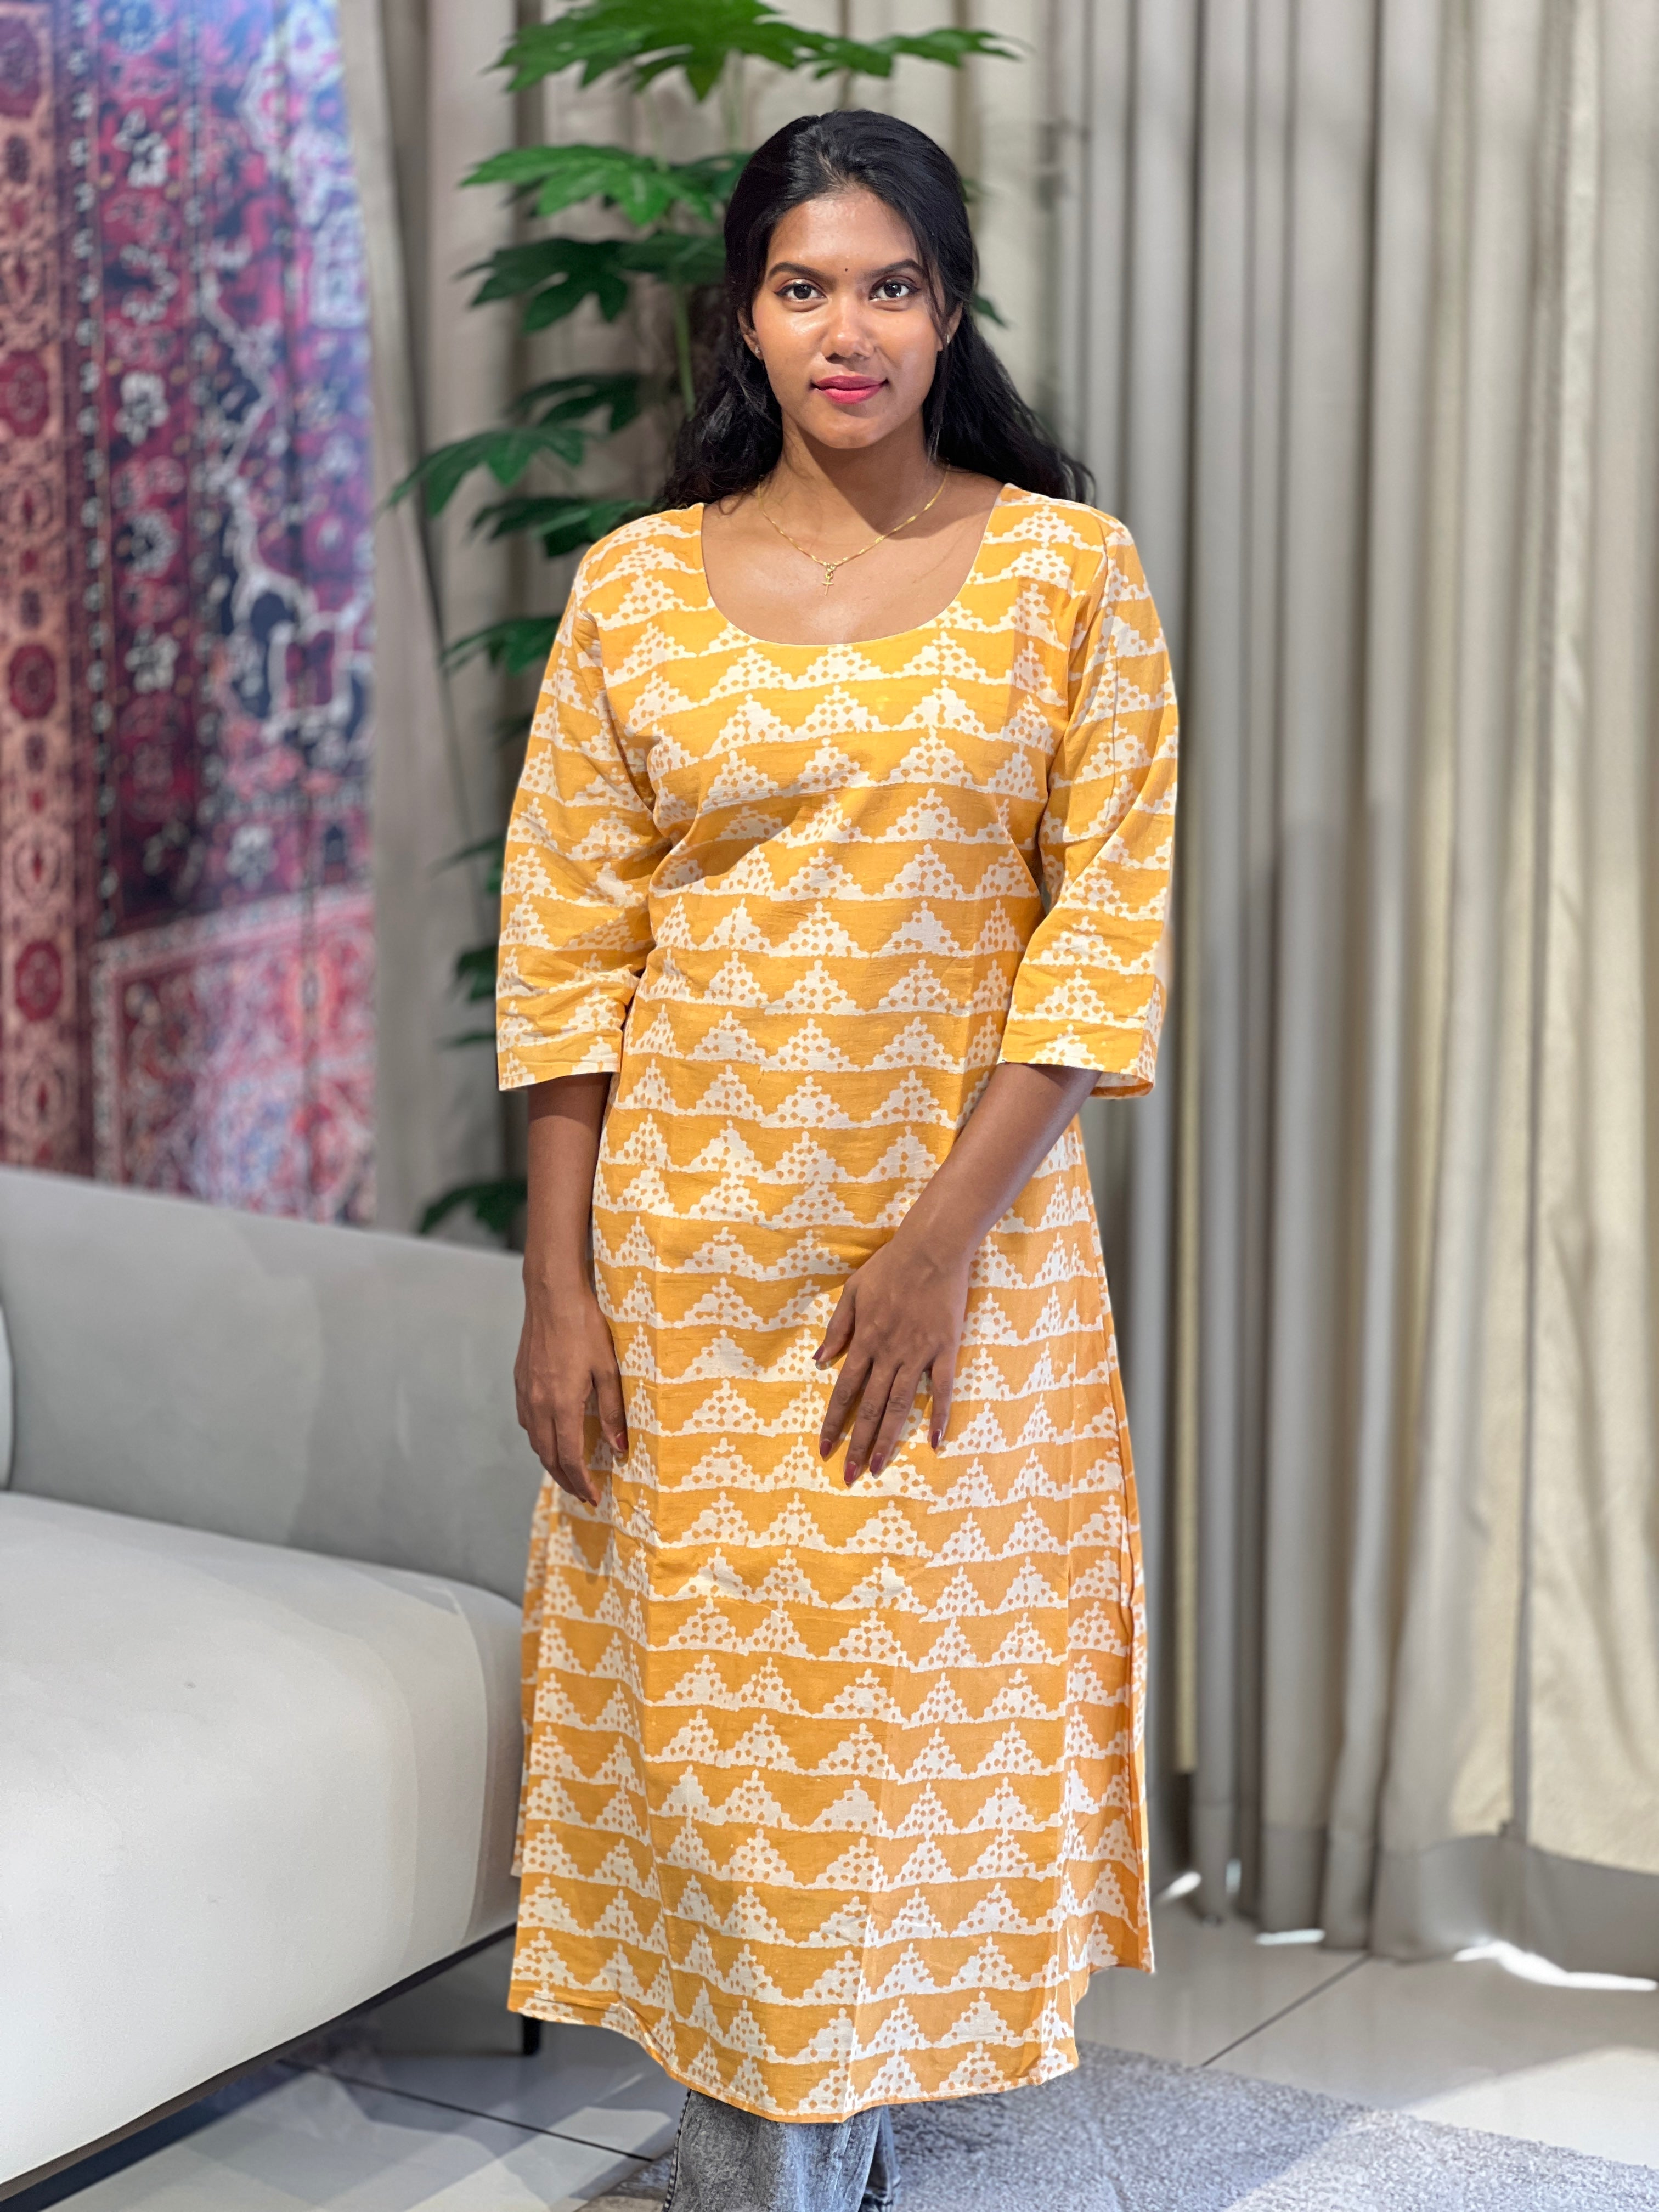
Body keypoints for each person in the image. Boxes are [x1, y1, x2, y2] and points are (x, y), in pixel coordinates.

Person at [495, 107, 1177, 2212]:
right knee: (727, 1773)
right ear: (747, 316)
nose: (848, 329)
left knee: (880, 1762)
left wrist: (939, 1246)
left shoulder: (1068, 574)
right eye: (805, 287)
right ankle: (790, 2167)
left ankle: (791, 2170)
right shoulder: (634, 591)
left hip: (955, 1262)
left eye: (891, 285)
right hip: (685, 1265)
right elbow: (564, 957)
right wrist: (555, 1284)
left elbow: (1101, 933)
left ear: (950, 311)